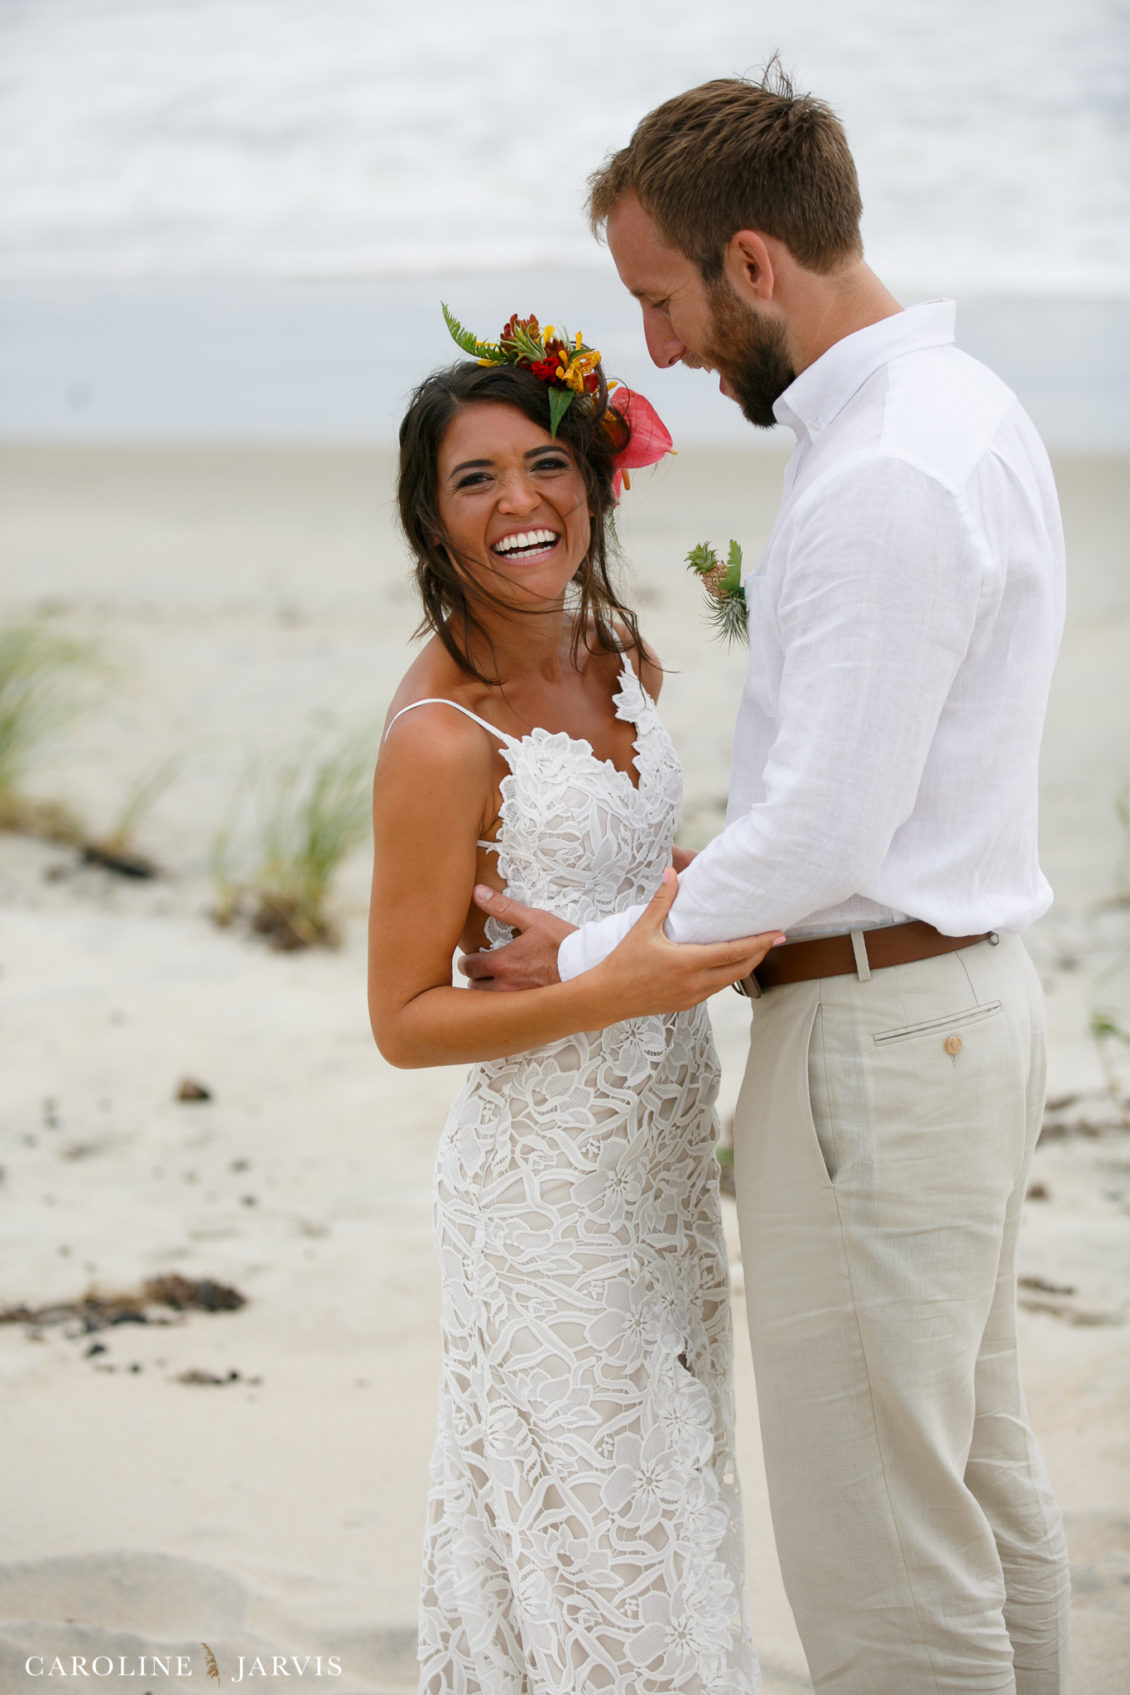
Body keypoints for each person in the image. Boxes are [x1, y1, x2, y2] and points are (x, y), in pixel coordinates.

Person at [460, 69, 1071, 1695]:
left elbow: (821, 839)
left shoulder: (880, 475)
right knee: (969, 1483)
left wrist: (586, 946)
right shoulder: (955, 410)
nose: (656, 349)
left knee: (880, 1549)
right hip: (951, 1010)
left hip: (880, 1042)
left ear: (748, 262)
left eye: (659, 300)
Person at [368, 318, 782, 1693]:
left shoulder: (623, 658)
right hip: (540, 1200)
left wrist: (644, 926)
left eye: (542, 463)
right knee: (595, 1557)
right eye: (471, 481)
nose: (518, 502)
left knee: (665, 1515)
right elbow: (407, 1020)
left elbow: (636, 880)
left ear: (595, 480)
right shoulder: (442, 737)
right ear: (432, 521)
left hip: (661, 1169)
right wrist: (616, 984)